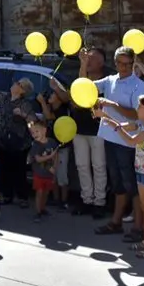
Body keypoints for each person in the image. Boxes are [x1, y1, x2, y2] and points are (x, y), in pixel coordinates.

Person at [85, 47, 144, 242]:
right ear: (115, 63)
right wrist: (83, 64)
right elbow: (85, 87)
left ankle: (139, 227)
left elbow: (137, 114)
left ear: (133, 64)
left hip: (128, 141)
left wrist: (113, 105)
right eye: (120, 63)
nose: (124, 67)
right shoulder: (110, 80)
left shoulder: (138, 85)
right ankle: (116, 222)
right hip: (110, 137)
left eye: (128, 64)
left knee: (131, 185)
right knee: (117, 184)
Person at [97, 95, 144, 259]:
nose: (137, 110)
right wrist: (105, 117)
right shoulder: (143, 124)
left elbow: (131, 140)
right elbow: (123, 126)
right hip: (141, 171)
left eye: (141, 108)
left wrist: (115, 125)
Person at [0, 65, 35, 208]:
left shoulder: (25, 104)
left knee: (19, 171)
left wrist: (23, 115)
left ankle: (22, 197)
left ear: (22, 90)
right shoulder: (4, 97)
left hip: (18, 143)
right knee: (5, 169)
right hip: (2, 140)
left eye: (18, 83)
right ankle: (7, 195)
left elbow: (32, 121)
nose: (14, 84)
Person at [70, 47, 109, 218]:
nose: (88, 60)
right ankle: (87, 199)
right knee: (82, 165)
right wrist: (82, 65)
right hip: (79, 129)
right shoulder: (82, 77)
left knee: (99, 166)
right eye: (86, 58)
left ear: (101, 63)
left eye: (91, 59)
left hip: (99, 130)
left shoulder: (105, 81)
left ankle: (100, 202)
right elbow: (79, 93)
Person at [38, 78, 71, 210]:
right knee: (53, 174)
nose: (49, 97)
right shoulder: (52, 108)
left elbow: (49, 116)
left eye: (52, 94)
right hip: (52, 147)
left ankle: (64, 201)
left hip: (62, 147)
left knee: (62, 176)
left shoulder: (62, 110)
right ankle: (56, 199)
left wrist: (41, 103)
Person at [27, 118, 58, 223]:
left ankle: (43, 208)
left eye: (37, 131)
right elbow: (38, 159)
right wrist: (50, 156)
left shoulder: (52, 142)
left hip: (49, 174)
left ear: (44, 130)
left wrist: (55, 167)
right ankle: (38, 212)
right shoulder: (35, 145)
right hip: (39, 174)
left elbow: (56, 156)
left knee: (46, 193)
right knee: (39, 192)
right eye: (32, 133)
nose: (34, 134)